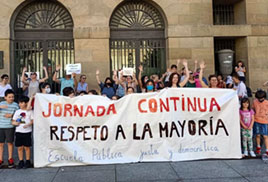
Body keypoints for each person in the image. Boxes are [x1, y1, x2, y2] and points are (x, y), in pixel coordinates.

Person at [11, 96, 33, 169]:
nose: (20, 104)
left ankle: (27, 160)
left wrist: (28, 124)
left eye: (22, 103)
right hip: (19, 131)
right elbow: (13, 120)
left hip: (27, 131)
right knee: (19, 147)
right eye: (19, 103)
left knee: (27, 147)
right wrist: (15, 123)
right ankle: (21, 161)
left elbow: (33, 120)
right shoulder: (17, 111)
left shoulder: (30, 111)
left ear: (26, 103)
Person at [0, 89, 19, 168]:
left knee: (10, 143)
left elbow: (20, 115)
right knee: (1, 144)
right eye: (9, 97)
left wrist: (11, 116)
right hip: (1, 126)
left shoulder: (15, 105)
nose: (11, 98)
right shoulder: (1, 104)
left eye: (12, 97)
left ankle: (10, 158)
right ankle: (0, 159)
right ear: (5, 97)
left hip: (10, 126)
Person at [253, 90, 268, 155]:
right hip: (257, 120)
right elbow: (253, 109)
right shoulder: (255, 102)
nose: (260, 99)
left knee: (265, 136)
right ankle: (258, 147)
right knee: (258, 135)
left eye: (262, 98)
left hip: (265, 121)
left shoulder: (266, 102)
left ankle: (267, 149)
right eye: (259, 98)